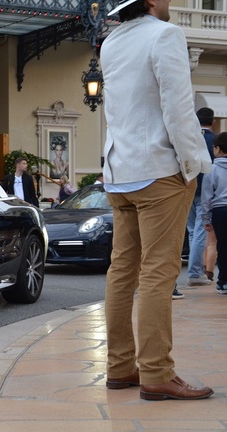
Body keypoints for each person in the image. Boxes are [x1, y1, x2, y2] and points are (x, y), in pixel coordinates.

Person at [100, 0, 213, 401]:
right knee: (158, 274)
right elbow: (179, 108)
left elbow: (116, 111)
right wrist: (192, 165)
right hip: (160, 171)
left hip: (120, 173)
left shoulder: (110, 42)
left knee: (122, 271)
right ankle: (156, 373)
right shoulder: (166, 34)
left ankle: (119, 368)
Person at [186, 107, 216, 286]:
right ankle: (194, 273)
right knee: (200, 233)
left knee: (191, 233)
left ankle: (194, 270)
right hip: (206, 191)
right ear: (213, 121)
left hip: (188, 187)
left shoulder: (190, 139)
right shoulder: (214, 141)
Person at [201, 132, 227, 294]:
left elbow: (206, 196)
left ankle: (223, 282)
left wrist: (206, 217)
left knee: (222, 247)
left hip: (220, 211)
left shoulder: (212, 169)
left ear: (217, 149)